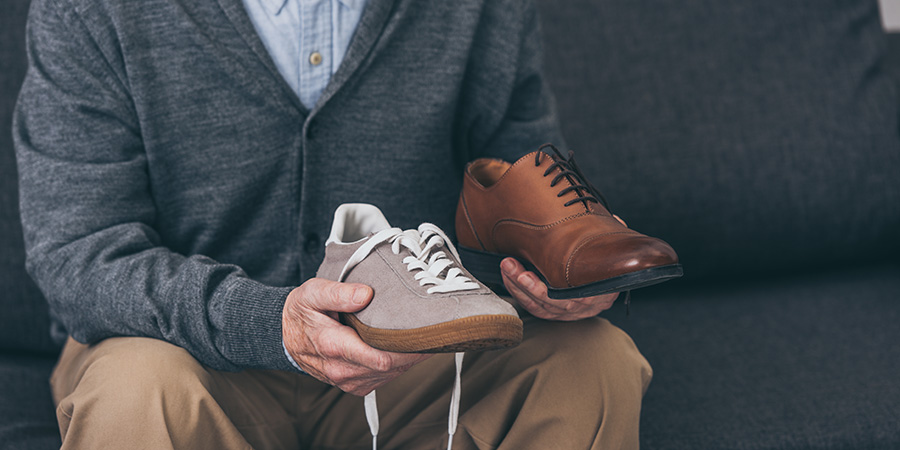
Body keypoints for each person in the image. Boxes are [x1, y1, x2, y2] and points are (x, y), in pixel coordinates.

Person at [13, 0, 652, 448]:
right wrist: (269, 324)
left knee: (592, 361)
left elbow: (519, 192)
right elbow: (78, 251)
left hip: (415, 364)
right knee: (135, 393)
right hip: (184, 356)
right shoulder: (89, 8)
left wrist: (558, 277)